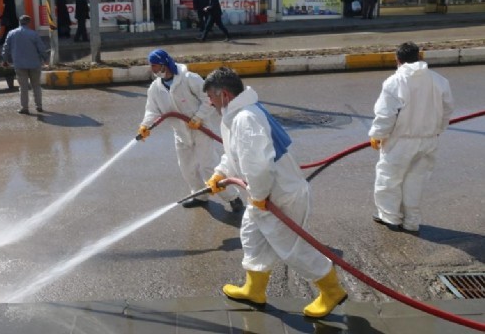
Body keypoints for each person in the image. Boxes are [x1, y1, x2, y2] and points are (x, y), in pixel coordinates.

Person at [203, 67, 347, 318]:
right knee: (251, 236)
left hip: (279, 196)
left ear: (224, 94)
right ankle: (254, 289)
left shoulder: (245, 118)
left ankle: (331, 290)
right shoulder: (235, 114)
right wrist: (220, 174)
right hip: (262, 196)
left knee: (291, 249)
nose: (209, 102)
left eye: (211, 97)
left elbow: (258, 164)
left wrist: (258, 196)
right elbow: (236, 155)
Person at [137, 49, 244, 212]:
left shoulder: (189, 79)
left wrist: (199, 117)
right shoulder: (155, 88)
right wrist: (145, 125)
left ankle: (233, 198)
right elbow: (152, 110)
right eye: (153, 68)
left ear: (166, 64)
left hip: (200, 129)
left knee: (209, 166)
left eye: (157, 67)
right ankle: (200, 195)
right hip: (180, 133)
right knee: (187, 168)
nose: (155, 71)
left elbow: (208, 98)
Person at [369, 42, 454, 233]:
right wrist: (438, 128)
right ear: (420, 57)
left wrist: (378, 134)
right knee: (416, 180)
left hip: (401, 141)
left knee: (389, 179)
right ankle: (411, 221)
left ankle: (390, 217)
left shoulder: (395, 82)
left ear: (397, 60)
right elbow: (447, 109)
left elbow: (386, 114)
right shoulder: (439, 80)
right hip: (429, 140)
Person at [2, 15, 50, 114]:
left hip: (19, 65)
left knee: (23, 87)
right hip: (35, 64)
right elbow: (41, 48)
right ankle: (39, 106)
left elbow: (6, 48)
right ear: (29, 23)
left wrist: (5, 60)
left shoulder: (11, 33)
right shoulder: (34, 34)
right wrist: (46, 59)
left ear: (19, 22)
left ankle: (24, 108)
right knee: (36, 86)